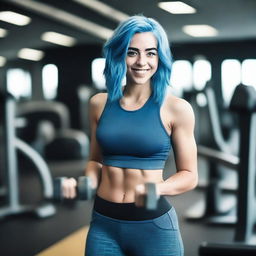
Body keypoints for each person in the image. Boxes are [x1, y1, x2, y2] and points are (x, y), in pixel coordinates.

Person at [62, 15, 198, 256]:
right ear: (119, 54)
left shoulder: (176, 108)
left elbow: (189, 175)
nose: (141, 61)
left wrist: (159, 188)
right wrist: (85, 183)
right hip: (104, 223)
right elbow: (95, 161)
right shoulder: (98, 104)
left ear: (160, 57)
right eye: (132, 52)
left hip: (154, 226)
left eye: (150, 53)